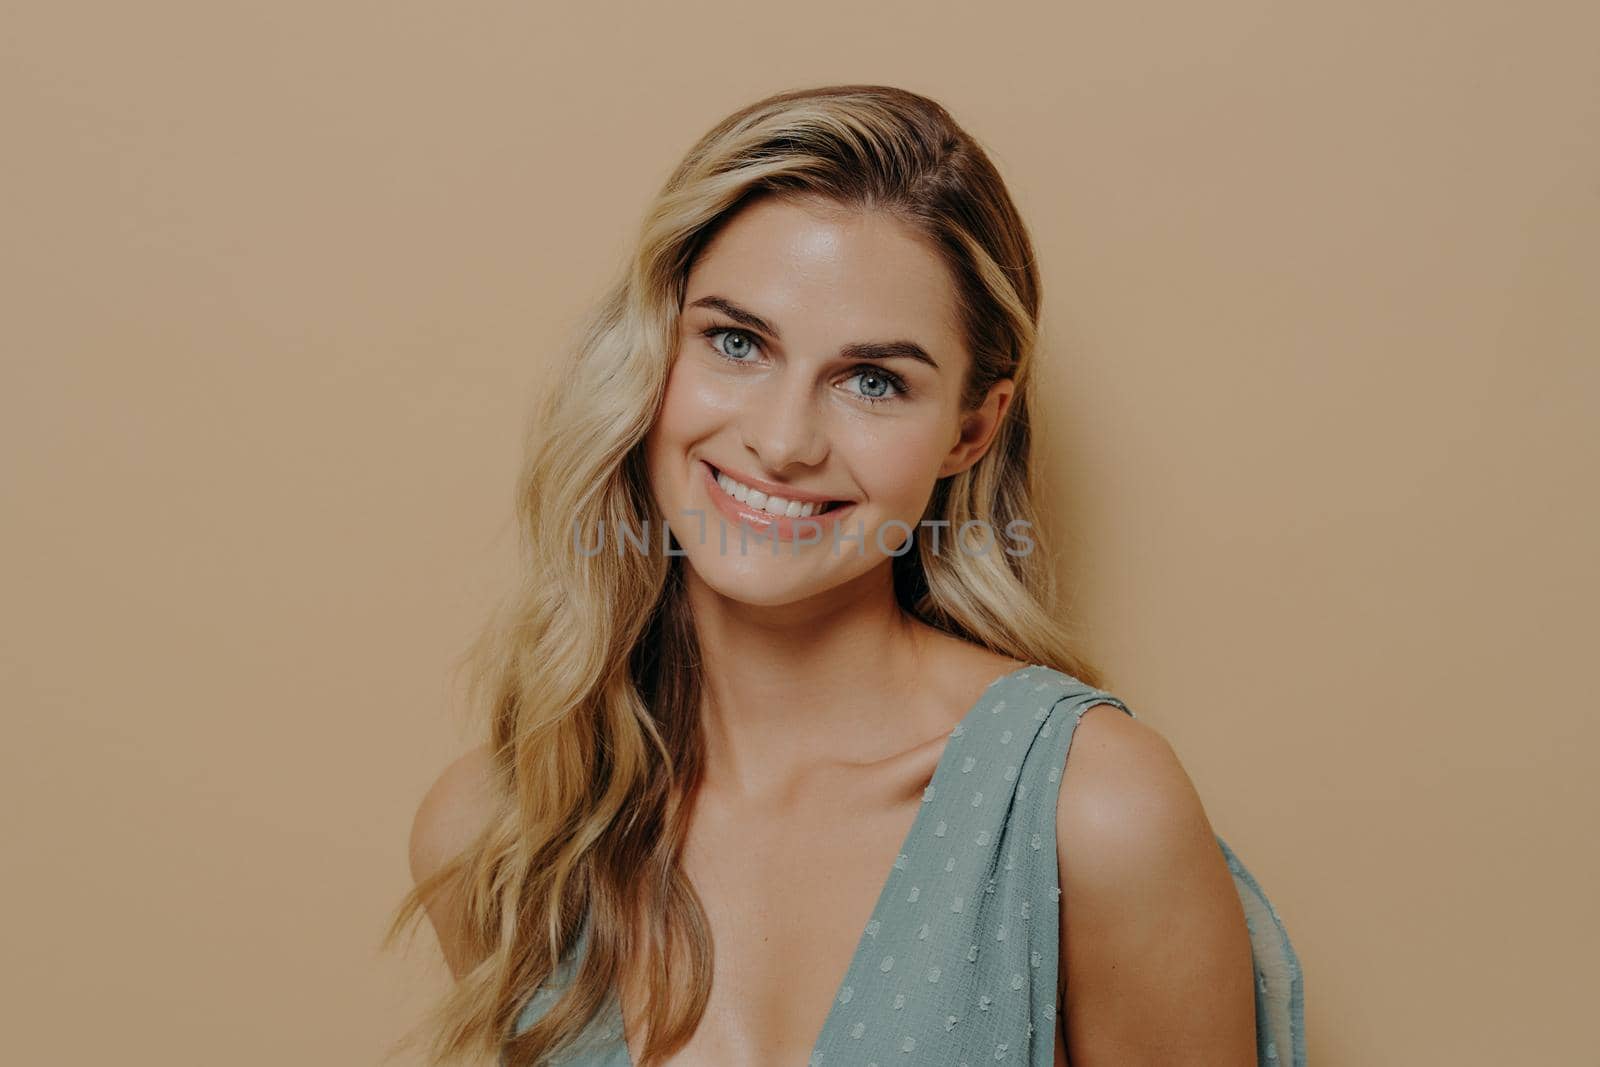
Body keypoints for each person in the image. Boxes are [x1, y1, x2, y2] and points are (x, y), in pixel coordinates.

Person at [390, 84, 1301, 1067]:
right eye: (736, 341)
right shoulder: (502, 834)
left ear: (969, 428)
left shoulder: (1092, 812)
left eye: (873, 381)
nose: (781, 442)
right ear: (655, 350)